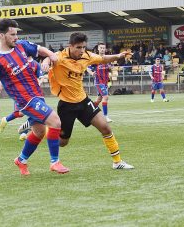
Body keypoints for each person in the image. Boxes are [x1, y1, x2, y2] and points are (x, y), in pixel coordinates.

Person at [0, 18, 69, 175]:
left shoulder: (21, 46)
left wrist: (51, 55)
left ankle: (21, 160)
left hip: (36, 94)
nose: (16, 37)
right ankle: (54, 162)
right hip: (26, 100)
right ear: (2, 36)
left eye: (16, 34)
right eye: (12, 34)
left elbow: (39, 49)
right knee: (56, 121)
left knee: (39, 132)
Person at [41, 32, 134, 170]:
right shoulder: (60, 57)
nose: (82, 50)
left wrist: (118, 56)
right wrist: (46, 61)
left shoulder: (86, 56)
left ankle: (117, 162)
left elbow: (102, 59)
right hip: (66, 105)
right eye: (78, 47)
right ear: (70, 46)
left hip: (83, 101)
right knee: (62, 142)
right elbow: (50, 57)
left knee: (105, 127)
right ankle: (43, 130)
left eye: (84, 47)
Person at [0, 56, 44, 135]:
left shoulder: (35, 64)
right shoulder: (19, 63)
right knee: (21, 113)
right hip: (20, 93)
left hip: (34, 93)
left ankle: (23, 132)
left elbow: (41, 77)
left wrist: (38, 84)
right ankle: (7, 120)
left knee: (38, 111)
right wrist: (1, 85)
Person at [87, 43, 113, 123]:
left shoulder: (107, 59)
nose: (102, 49)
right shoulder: (95, 59)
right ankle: (105, 116)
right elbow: (87, 68)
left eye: (103, 48)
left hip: (105, 82)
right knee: (106, 97)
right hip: (99, 82)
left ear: (105, 49)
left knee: (98, 100)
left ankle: (88, 113)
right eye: (101, 48)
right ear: (98, 49)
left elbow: (110, 69)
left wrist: (110, 70)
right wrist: (92, 73)